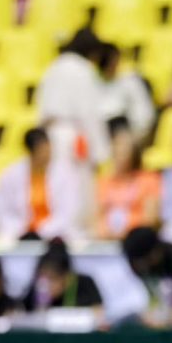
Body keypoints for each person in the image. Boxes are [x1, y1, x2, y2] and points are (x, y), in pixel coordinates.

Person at [37, 28, 111, 227]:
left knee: (56, 188)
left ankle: (59, 228)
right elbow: (89, 113)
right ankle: (74, 231)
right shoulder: (83, 70)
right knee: (77, 190)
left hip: (50, 137)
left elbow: (41, 110)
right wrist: (101, 153)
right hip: (74, 138)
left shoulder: (53, 67)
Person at [0, 127, 84, 242]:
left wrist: (42, 231)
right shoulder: (11, 175)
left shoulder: (64, 173)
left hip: (57, 234)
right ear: (32, 152)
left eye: (48, 149)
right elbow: (0, 210)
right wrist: (23, 229)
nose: (47, 154)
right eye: (42, 150)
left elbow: (69, 211)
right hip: (19, 234)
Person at [94, 128, 161, 240]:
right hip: (108, 238)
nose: (118, 157)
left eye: (123, 153)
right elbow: (97, 217)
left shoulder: (149, 180)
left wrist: (127, 231)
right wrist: (106, 232)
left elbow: (150, 219)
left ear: (133, 154)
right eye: (116, 152)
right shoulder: (104, 181)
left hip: (137, 239)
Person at [22, 239, 103, 314]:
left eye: (52, 279)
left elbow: (98, 314)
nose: (46, 285)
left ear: (66, 277)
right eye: (43, 278)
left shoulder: (85, 285)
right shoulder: (37, 290)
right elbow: (22, 312)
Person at [98, 42, 156, 141]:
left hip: (126, 133)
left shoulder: (130, 80)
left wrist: (133, 138)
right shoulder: (92, 81)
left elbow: (145, 116)